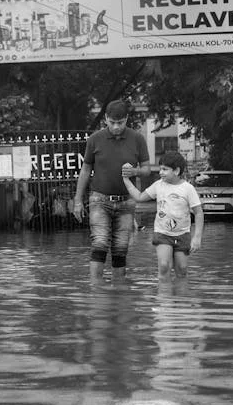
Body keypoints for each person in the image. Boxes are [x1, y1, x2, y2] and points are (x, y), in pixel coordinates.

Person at [73, 100, 150, 284]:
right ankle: (96, 290)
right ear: (105, 119)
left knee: (120, 248)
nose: (116, 127)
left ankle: (119, 292)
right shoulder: (95, 139)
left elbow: (147, 169)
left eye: (121, 122)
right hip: (99, 199)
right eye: (112, 122)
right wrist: (77, 200)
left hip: (126, 202)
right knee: (99, 243)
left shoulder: (137, 138)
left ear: (127, 119)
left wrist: (136, 171)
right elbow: (85, 170)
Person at [122, 151, 203, 286]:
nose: (161, 172)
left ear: (176, 171)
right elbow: (140, 197)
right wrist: (126, 180)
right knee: (164, 266)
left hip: (183, 235)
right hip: (162, 233)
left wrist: (197, 237)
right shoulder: (158, 185)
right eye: (160, 169)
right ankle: (164, 302)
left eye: (165, 169)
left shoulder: (188, 189)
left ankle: (181, 301)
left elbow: (199, 213)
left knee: (182, 270)